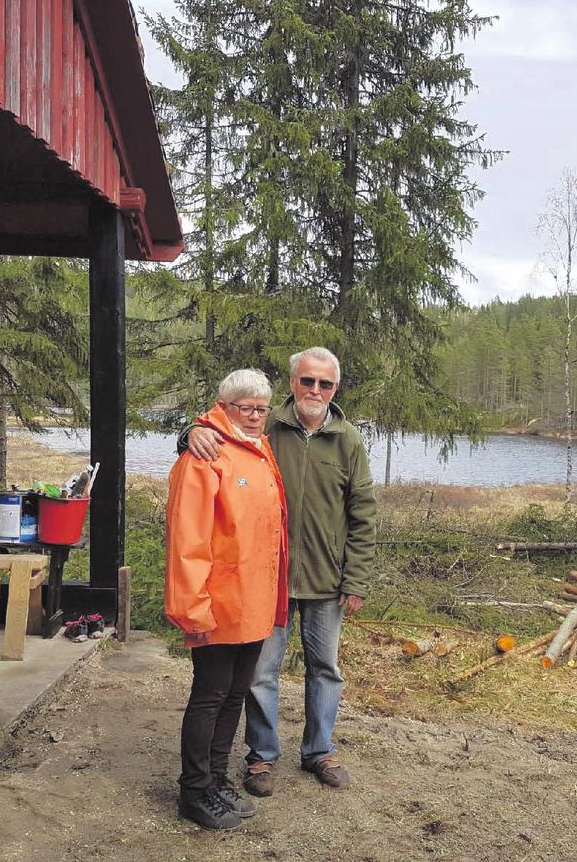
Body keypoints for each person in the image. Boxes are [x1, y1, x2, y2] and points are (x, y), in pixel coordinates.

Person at [183, 347, 376, 796]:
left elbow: (363, 512)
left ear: (335, 388)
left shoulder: (347, 439)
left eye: (324, 384)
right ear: (293, 383)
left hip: (327, 579)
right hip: (266, 579)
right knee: (260, 673)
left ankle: (319, 751)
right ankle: (261, 757)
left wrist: (357, 577)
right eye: (307, 381)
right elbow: (218, 427)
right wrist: (189, 432)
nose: (315, 390)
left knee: (325, 668)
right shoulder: (266, 425)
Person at [165, 369, 289, 831]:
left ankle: (216, 780)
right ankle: (193, 790)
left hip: (253, 603)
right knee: (209, 695)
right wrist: (191, 607)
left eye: (261, 408)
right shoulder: (204, 456)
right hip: (216, 604)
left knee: (235, 693)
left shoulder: (257, 450)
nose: (255, 416)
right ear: (225, 405)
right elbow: (187, 541)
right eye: (245, 408)